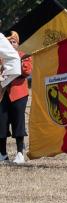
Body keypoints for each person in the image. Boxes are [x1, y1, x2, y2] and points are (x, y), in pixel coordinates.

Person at [0, 32, 31, 164]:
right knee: (1, 124)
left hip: (19, 94)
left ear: (18, 44)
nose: (11, 44)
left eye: (14, 42)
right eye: (9, 42)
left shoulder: (24, 55)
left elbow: (27, 71)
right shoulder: (1, 57)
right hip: (2, 95)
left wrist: (17, 63)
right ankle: (2, 154)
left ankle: (19, 153)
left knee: (18, 123)